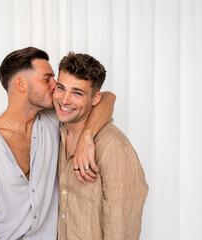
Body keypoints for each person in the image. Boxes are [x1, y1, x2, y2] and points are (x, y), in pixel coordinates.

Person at [0, 47, 116, 240]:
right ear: (21, 84)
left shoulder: (54, 120)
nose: (55, 85)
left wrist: (87, 136)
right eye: (47, 79)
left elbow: (108, 97)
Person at [54, 52, 148, 240]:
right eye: (61, 88)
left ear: (96, 99)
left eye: (77, 93)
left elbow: (121, 230)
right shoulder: (56, 132)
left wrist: (87, 134)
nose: (64, 100)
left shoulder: (115, 148)